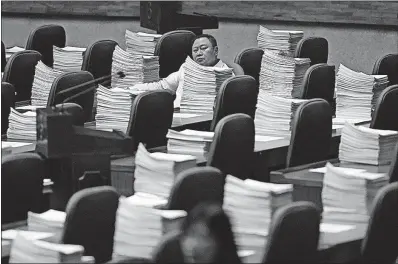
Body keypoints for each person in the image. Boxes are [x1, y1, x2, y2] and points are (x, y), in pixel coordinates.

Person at [131, 34, 233, 107]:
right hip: (177, 117)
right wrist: (133, 88)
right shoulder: (186, 68)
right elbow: (162, 85)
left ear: (215, 51)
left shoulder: (225, 74)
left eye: (203, 48)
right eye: (195, 50)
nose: (199, 53)